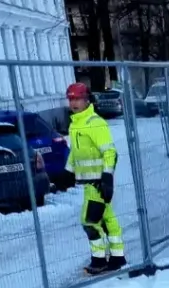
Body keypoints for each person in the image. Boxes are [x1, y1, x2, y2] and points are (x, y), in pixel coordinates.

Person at [62, 82, 125, 275]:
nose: (74, 103)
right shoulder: (75, 123)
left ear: (87, 99)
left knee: (89, 221)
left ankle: (99, 261)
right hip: (89, 183)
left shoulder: (94, 122)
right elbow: (76, 151)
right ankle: (117, 257)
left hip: (98, 183)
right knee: (108, 220)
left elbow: (110, 152)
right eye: (71, 99)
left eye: (78, 99)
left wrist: (107, 178)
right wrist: (68, 171)